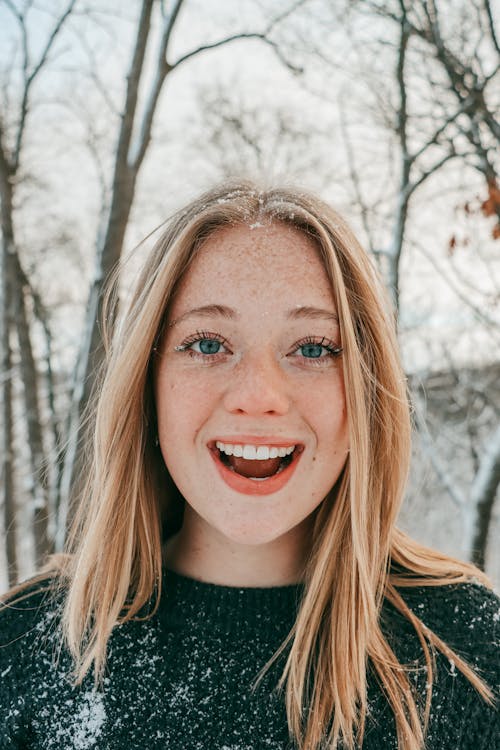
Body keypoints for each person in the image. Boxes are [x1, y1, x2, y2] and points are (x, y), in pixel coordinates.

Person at [0, 181, 498, 750]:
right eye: (208, 344)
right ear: (147, 382)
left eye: (312, 348)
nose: (259, 395)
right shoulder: (24, 650)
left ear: (364, 392)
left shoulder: (463, 651)